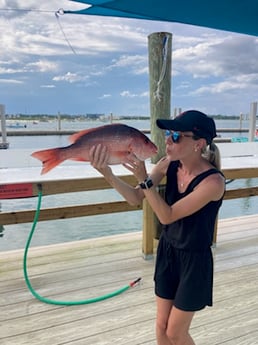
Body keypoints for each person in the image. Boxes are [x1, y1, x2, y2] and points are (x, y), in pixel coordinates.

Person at [89, 110, 225, 345]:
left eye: (176, 135)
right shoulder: (167, 164)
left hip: (194, 261)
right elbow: (135, 197)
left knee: (176, 333)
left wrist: (144, 179)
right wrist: (108, 174)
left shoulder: (213, 182)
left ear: (199, 144)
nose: (168, 140)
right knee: (161, 326)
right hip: (168, 252)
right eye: (168, 133)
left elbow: (167, 215)